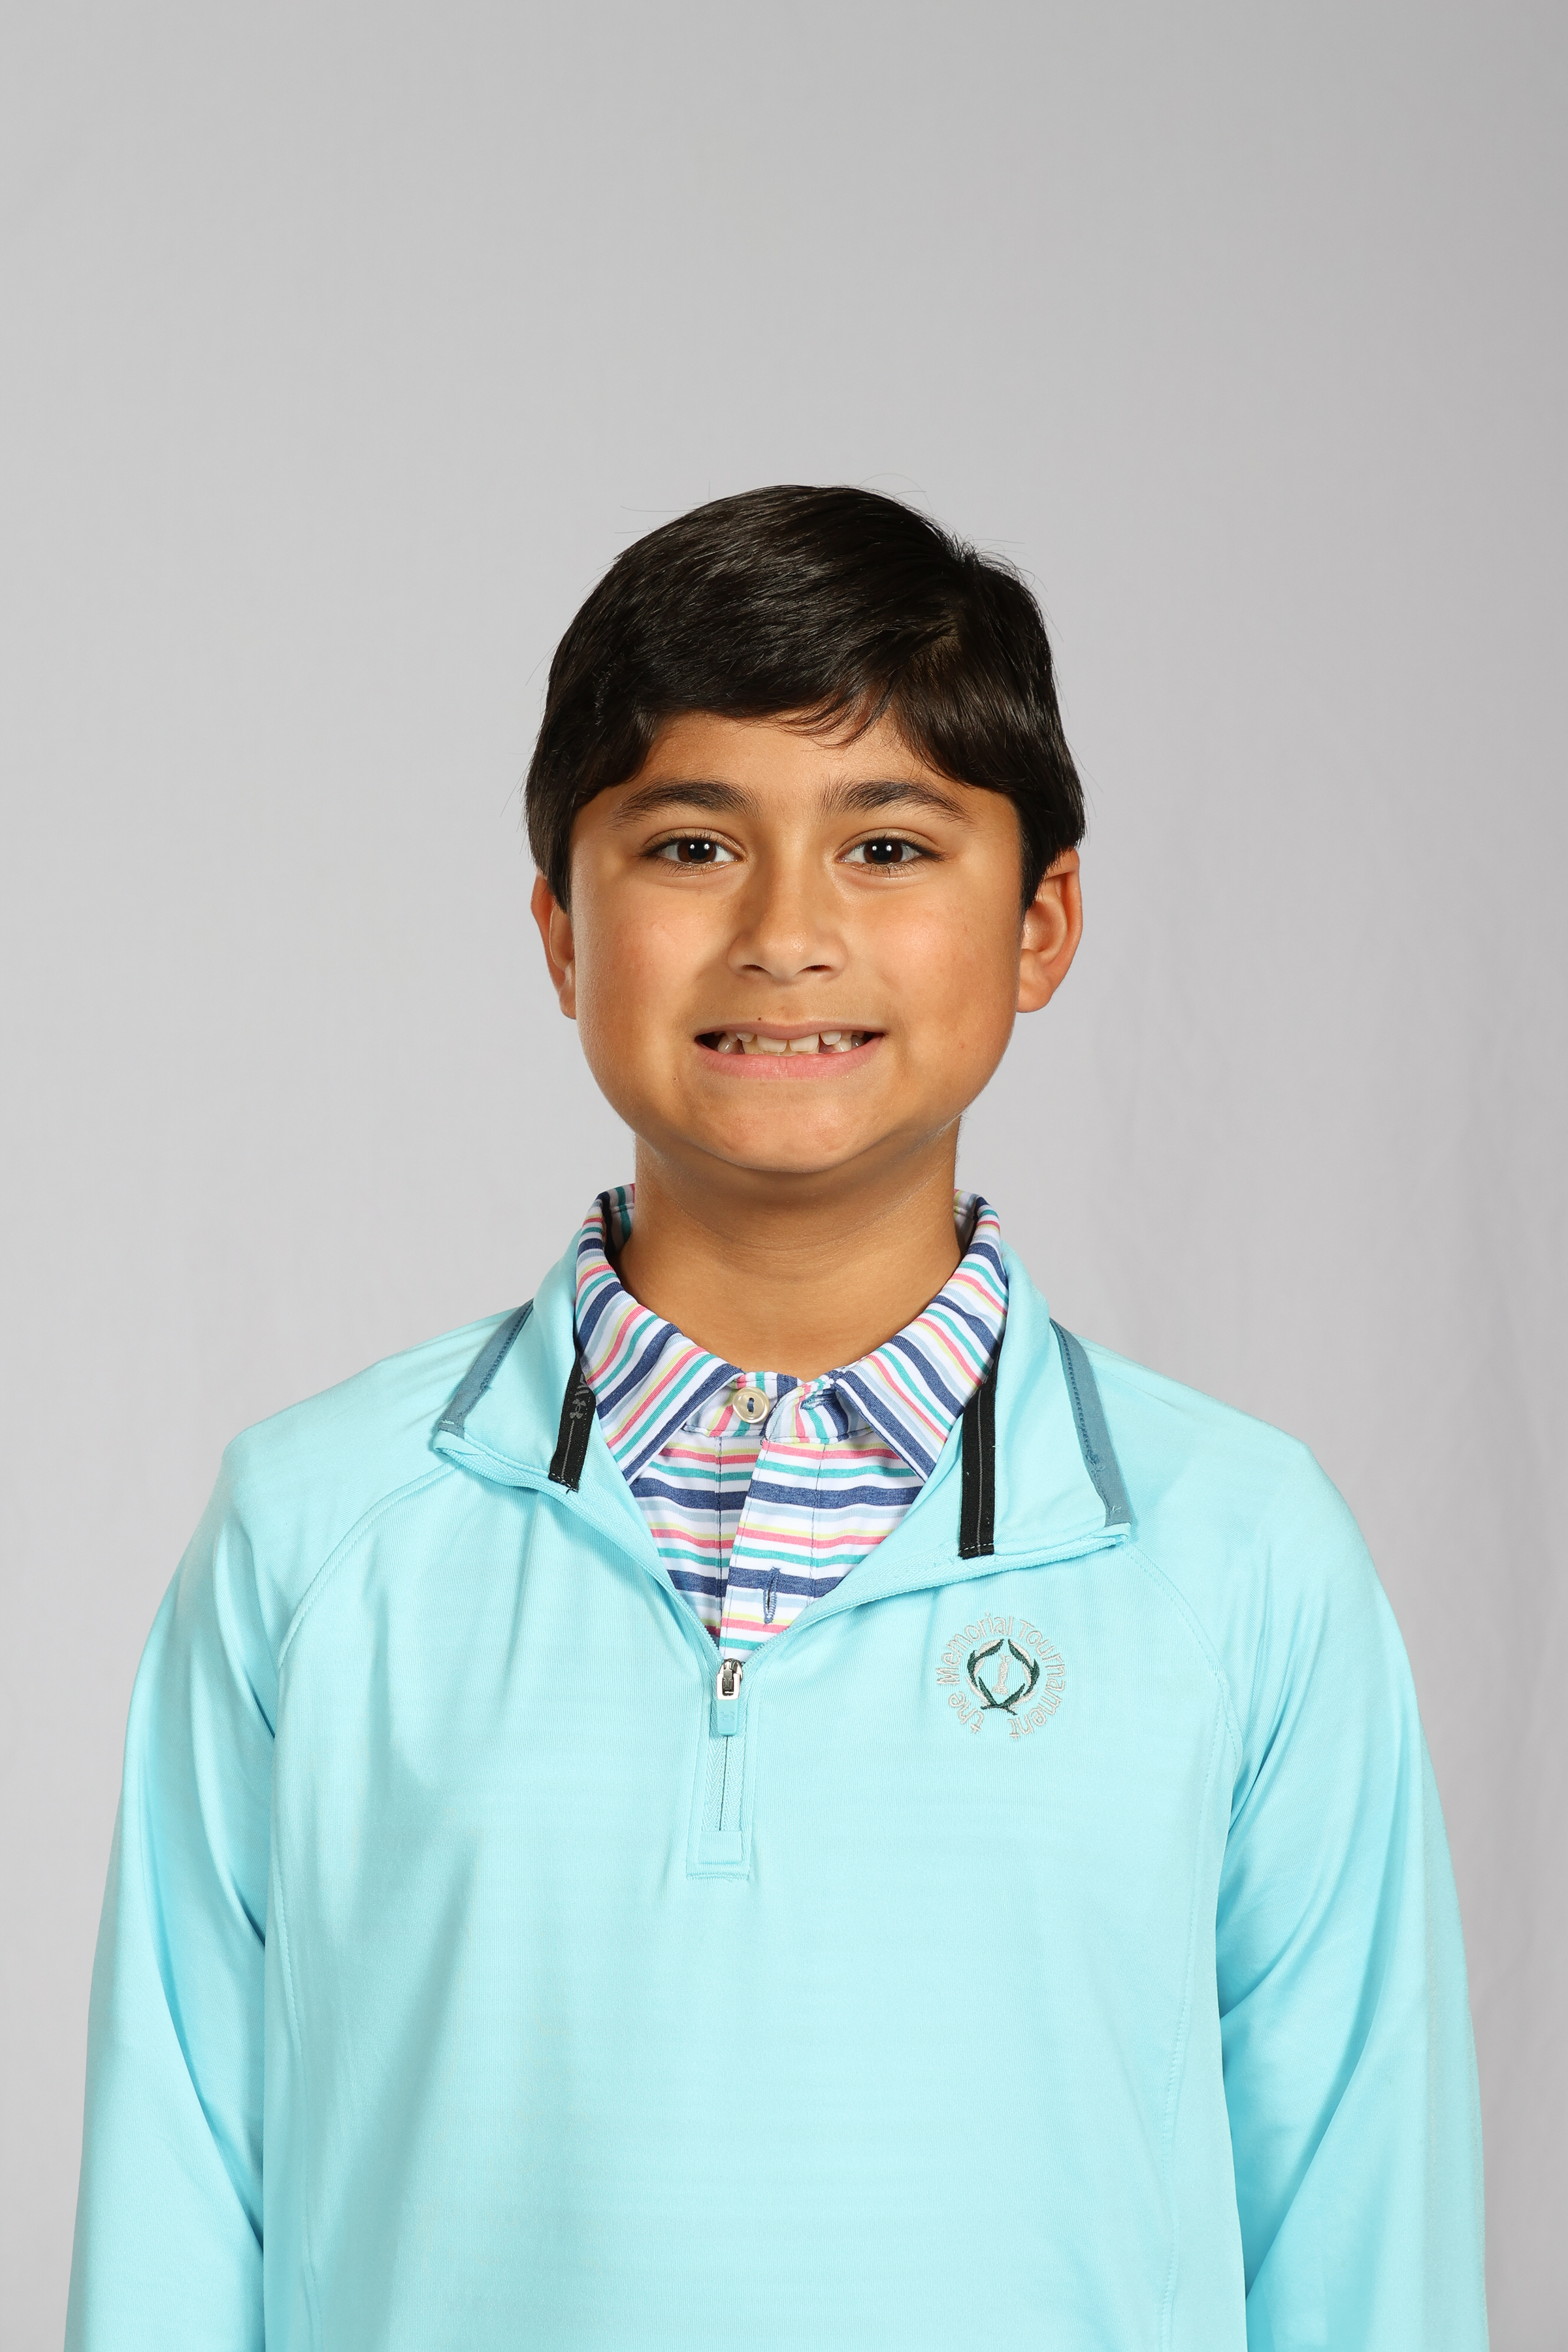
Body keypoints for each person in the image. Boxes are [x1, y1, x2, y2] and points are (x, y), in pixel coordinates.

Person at [65, 486, 1488, 2350]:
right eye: (689, 845)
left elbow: (1364, 2239)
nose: (788, 933)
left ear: (1044, 920)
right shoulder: (317, 1534)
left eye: (888, 845)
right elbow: (175, 2217)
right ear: (562, 931)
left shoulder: (1237, 1553)